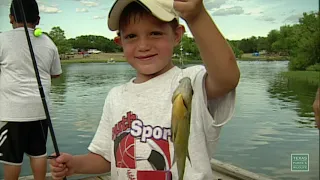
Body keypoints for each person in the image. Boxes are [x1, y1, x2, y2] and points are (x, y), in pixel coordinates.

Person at [50, 0, 240, 180]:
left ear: (177, 35)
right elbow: (107, 158)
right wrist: (75, 165)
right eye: (131, 36)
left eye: (155, 33)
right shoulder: (116, 96)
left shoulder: (190, 82)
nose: (143, 46)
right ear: (120, 42)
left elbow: (227, 77)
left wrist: (197, 17)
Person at [0, 0, 62, 179]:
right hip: (41, 111)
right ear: (38, 19)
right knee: (38, 152)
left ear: (11, 17)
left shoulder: (2, 39)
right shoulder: (48, 42)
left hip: (12, 112)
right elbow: (56, 74)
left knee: (12, 159)